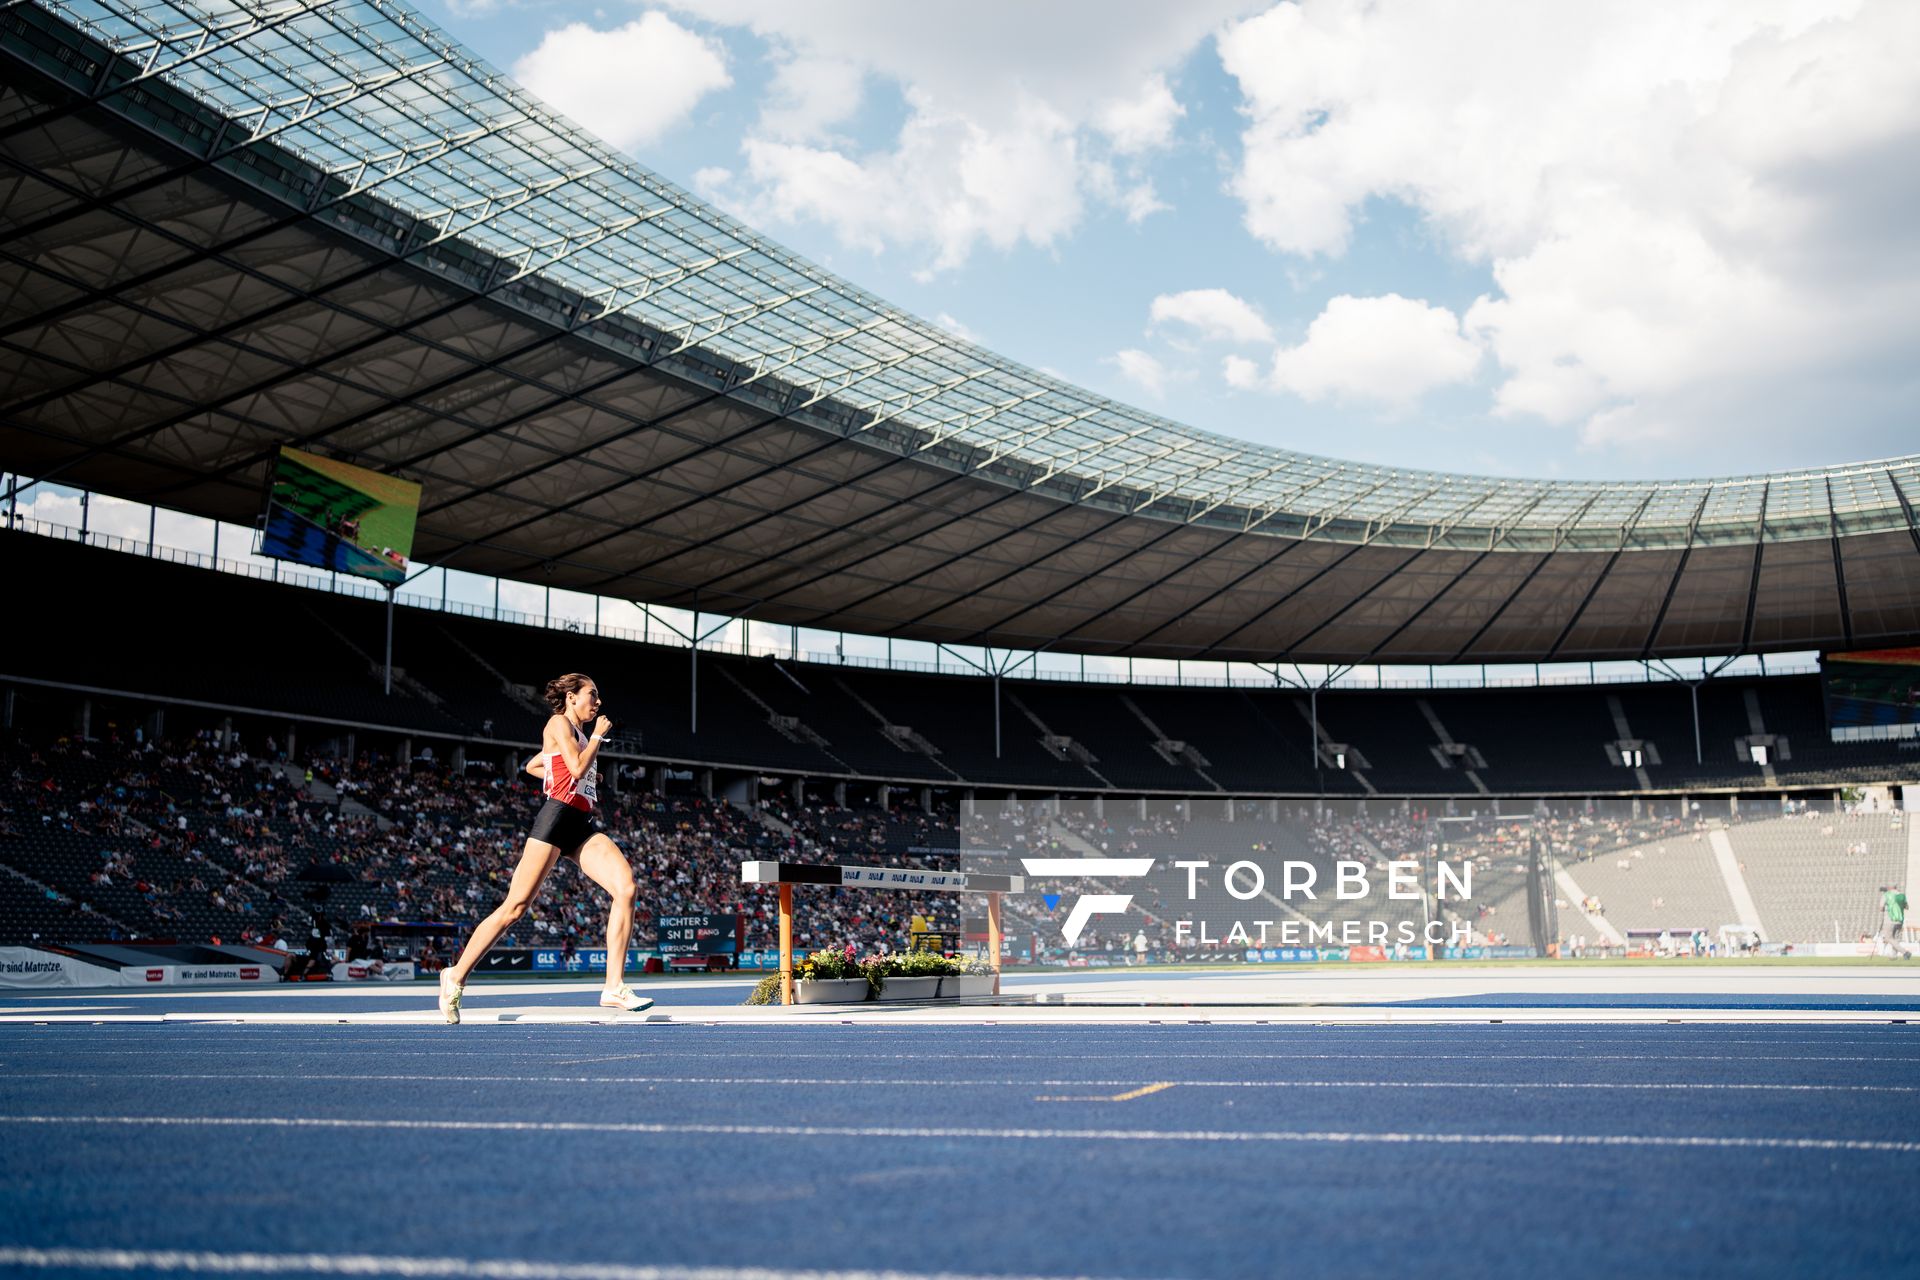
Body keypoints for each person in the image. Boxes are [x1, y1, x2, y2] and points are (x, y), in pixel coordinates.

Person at [438, 673, 651, 1022]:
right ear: (571, 698)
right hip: (555, 819)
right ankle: (455, 975)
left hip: (580, 825)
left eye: (598, 696)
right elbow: (575, 766)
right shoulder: (558, 723)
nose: (597, 702)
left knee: (626, 887)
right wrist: (596, 739)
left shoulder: (576, 734)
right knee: (515, 907)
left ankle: (613, 985)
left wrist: (579, 767)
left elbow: (534, 765)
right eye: (591, 695)